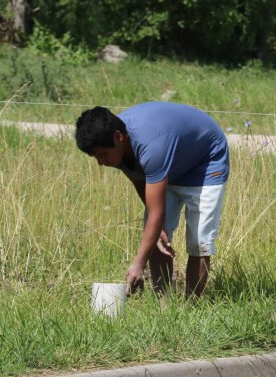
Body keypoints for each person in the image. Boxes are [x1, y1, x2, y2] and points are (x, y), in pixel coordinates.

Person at [75, 102, 229, 298]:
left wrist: (138, 265)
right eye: (95, 157)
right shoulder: (114, 144)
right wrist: (157, 229)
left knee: (199, 242)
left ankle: (192, 307)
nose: (100, 163)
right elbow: (139, 180)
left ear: (119, 137)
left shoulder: (150, 146)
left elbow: (157, 212)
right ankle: (164, 306)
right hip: (169, 164)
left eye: (102, 155)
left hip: (205, 161)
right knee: (155, 235)